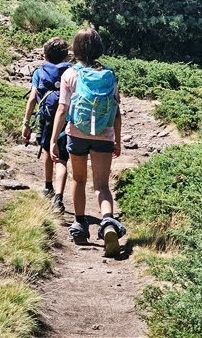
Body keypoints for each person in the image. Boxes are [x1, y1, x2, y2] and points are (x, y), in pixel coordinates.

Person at [50, 27, 126, 257]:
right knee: (102, 186)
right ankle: (108, 223)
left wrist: (54, 140)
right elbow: (116, 112)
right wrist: (118, 139)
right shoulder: (109, 75)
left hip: (77, 134)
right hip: (103, 134)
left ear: (76, 48)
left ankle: (80, 224)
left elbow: (62, 109)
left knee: (79, 179)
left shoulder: (70, 74)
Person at [21, 37, 71, 214]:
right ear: (66, 55)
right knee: (62, 158)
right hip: (67, 119)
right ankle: (59, 198)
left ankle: (48, 187)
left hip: (46, 118)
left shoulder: (39, 72)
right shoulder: (72, 72)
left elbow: (32, 99)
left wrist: (26, 123)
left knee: (48, 151)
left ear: (45, 55)